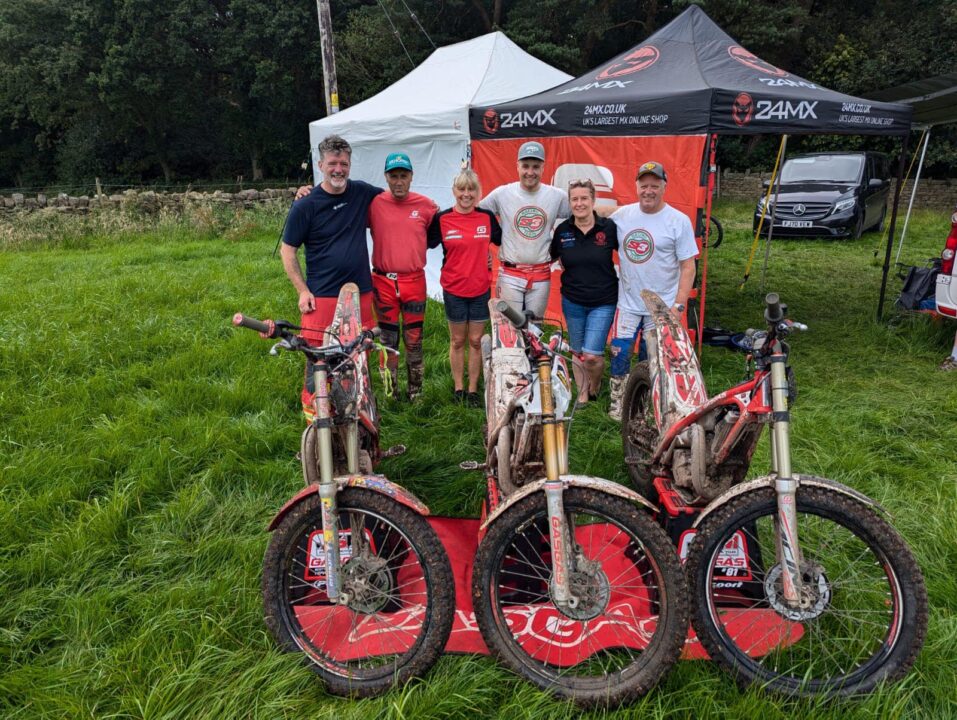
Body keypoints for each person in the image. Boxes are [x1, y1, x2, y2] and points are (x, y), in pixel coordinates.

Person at [280, 134, 383, 417]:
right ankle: (315, 419)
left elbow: (396, 198)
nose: (339, 169)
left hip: (360, 292)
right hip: (322, 294)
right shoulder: (306, 204)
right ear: (320, 164)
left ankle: (357, 410)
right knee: (316, 358)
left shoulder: (362, 193)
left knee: (358, 354)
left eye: (344, 164)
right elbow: (287, 251)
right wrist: (302, 290)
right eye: (333, 163)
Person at [608, 161, 698, 420]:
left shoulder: (678, 221)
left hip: (660, 305)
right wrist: (582, 206)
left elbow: (688, 267)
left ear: (664, 187)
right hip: (627, 302)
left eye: (654, 186)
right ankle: (619, 401)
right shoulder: (623, 215)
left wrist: (679, 306)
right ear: (636, 187)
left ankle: (647, 402)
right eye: (644, 185)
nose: (648, 191)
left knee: (652, 357)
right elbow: (597, 214)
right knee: (620, 352)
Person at [427, 169, 502, 406]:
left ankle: (472, 391)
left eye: (471, 189)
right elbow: (425, 241)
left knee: (476, 340)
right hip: (454, 289)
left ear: (478, 192)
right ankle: (459, 388)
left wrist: (487, 258)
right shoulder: (442, 219)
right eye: (462, 189)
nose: (466, 194)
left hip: (480, 288)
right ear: (454, 191)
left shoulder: (487, 218)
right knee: (458, 341)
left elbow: (503, 241)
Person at [367, 152, 438, 400]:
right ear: (386, 177)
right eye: (394, 176)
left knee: (414, 338)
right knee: (387, 339)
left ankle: (416, 393)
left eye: (403, 176)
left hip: (414, 280)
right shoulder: (375, 203)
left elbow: (446, 229)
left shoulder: (427, 206)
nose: (398, 181)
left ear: (411, 177)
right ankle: (390, 393)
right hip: (383, 281)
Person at [482, 141, 570, 321]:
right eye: (526, 166)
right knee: (511, 328)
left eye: (536, 167)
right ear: (517, 166)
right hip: (510, 274)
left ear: (543, 167)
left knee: (535, 328)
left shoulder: (557, 195)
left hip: (541, 275)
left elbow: (581, 214)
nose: (530, 172)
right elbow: (476, 215)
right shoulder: (502, 193)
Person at [549, 179, 618, 405]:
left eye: (584, 198)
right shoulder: (563, 231)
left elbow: (631, 254)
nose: (579, 203)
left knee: (592, 355)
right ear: (570, 202)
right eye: (575, 199)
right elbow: (549, 255)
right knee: (577, 352)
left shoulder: (608, 228)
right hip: (573, 300)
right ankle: (582, 393)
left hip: (603, 300)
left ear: (593, 200)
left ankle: (595, 385)